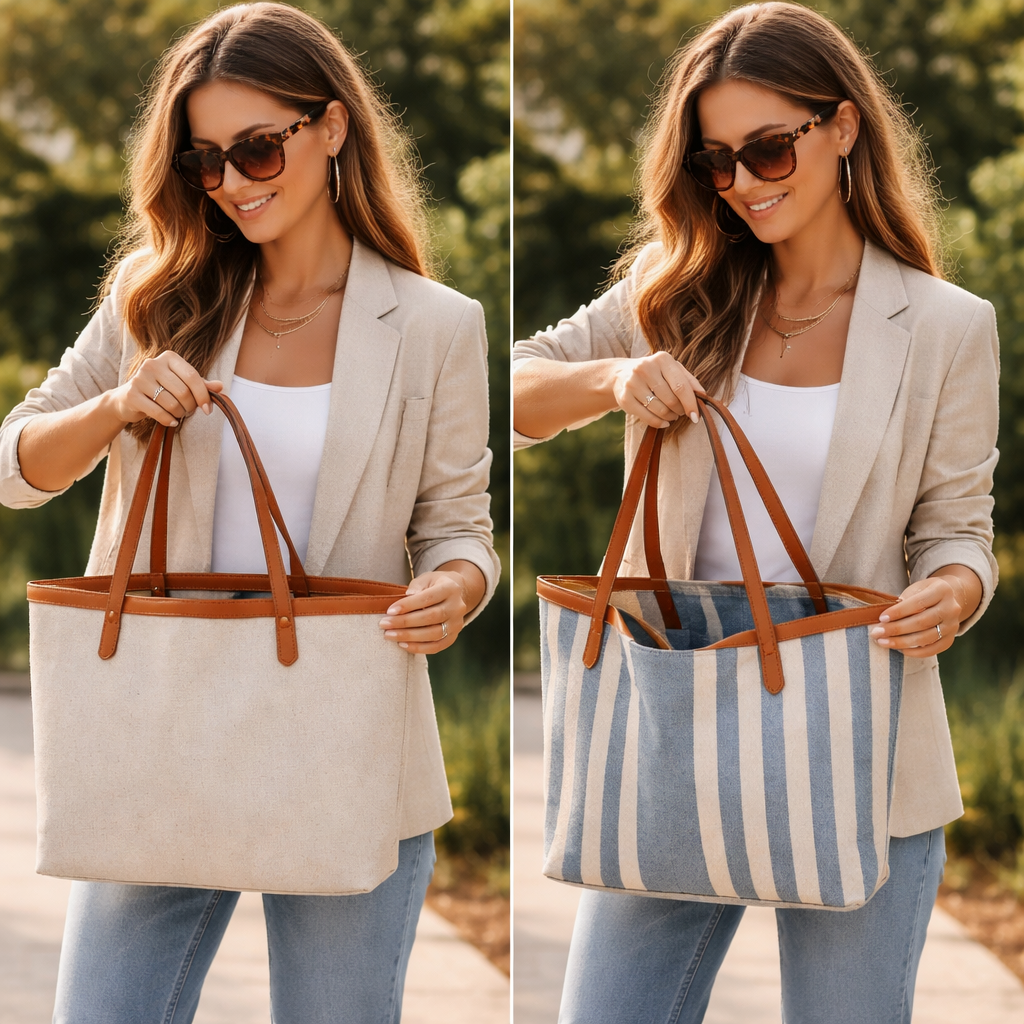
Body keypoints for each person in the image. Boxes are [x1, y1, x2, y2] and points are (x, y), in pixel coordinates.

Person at [0, 4, 498, 1021]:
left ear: (332, 126)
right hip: (158, 734)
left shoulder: (437, 327)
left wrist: (456, 588)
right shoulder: (154, 295)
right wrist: (112, 406)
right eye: (204, 161)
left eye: (258, 148)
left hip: (347, 744)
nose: (231, 181)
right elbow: (12, 467)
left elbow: (459, 528)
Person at [513, 4, 997, 1022]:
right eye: (716, 161)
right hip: (672, 730)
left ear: (843, 126)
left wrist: (953, 593)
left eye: (769, 148)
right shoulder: (672, 293)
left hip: (860, 747)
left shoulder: (946, 328)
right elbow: (508, 395)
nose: (742, 181)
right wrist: (611, 379)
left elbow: (958, 530)